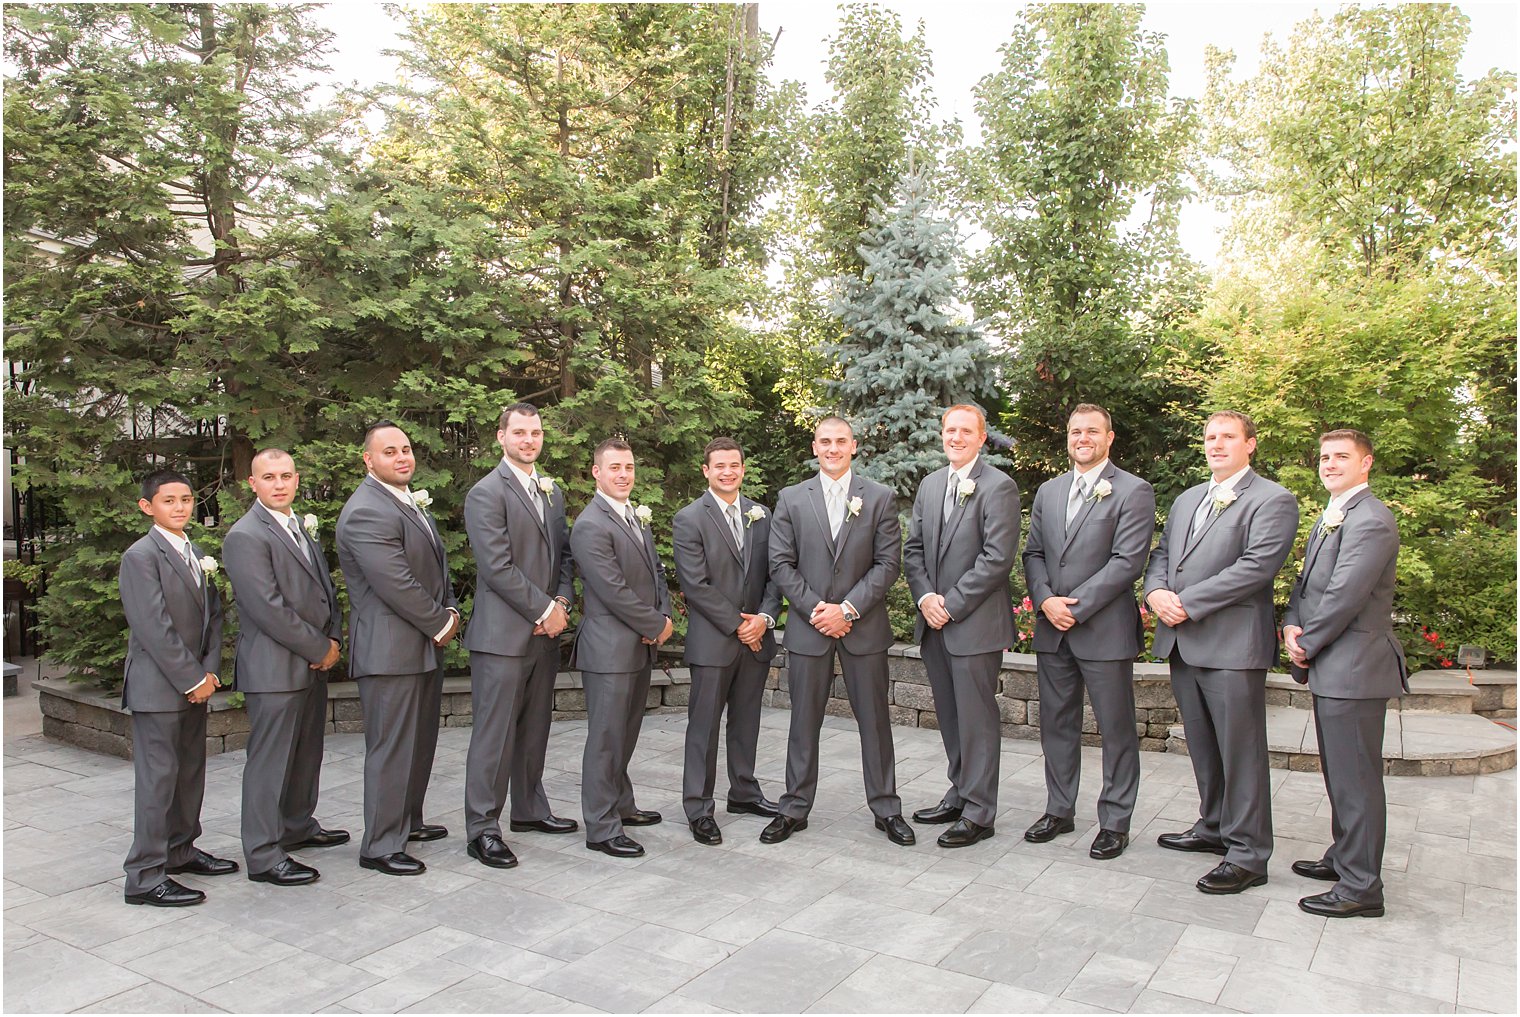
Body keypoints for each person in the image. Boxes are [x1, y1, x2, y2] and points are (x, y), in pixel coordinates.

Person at [1144, 410, 1298, 894]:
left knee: (1241, 752)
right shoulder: (1190, 498)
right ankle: (1213, 826)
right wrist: (1155, 594)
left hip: (1232, 646)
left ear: (1250, 444)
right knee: (1204, 746)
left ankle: (1249, 853)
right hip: (1183, 644)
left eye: (1228, 437)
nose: (1216, 444)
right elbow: (1163, 555)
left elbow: (1255, 569)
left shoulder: (1274, 500)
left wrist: (1186, 603)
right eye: (1210, 437)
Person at [763, 416, 911, 846]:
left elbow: (888, 564)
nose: (832, 448)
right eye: (825, 441)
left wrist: (847, 609)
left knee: (875, 722)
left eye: (840, 441)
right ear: (814, 447)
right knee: (803, 723)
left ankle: (886, 808)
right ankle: (793, 808)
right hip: (810, 630)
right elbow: (780, 564)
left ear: (854, 446)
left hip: (863, 628)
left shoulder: (879, 497)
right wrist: (816, 610)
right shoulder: (791, 499)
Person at [1283, 428, 1407, 919]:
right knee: (1339, 772)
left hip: (1355, 665)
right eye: (1324, 457)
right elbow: (1308, 584)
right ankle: (1344, 857)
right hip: (1334, 664)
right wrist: (1292, 621)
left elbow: (1345, 595)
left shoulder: (1371, 520)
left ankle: (1361, 887)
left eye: (1341, 456)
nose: (1330, 464)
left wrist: (1306, 645)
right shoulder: (1334, 513)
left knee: (1356, 777)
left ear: (1366, 463)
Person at [1022, 404, 1155, 859]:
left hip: (1103, 628)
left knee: (1116, 728)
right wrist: (1044, 600)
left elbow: (1127, 562)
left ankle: (1115, 821)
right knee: (1056, 725)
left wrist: (1074, 608)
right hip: (1052, 626)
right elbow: (1034, 553)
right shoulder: (1049, 491)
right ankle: (1059, 810)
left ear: (1109, 437)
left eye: (1092, 431)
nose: (1083, 438)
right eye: (1076, 431)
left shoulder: (1133, 491)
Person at [336, 421, 460, 876]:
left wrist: (448, 607)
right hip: (390, 650)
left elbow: (433, 569)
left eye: (406, 448)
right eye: (389, 451)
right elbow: (395, 583)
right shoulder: (367, 509)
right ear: (368, 460)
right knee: (391, 748)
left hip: (419, 645)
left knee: (418, 742)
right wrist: (440, 622)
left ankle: (407, 821)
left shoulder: (405, 502)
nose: (402, 457)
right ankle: (380, 844)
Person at [222, 449, 347, 887]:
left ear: (297, 480)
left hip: (310, 665)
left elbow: (322, 592)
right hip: (274, 669)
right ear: (252, 484)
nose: (279, 484)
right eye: (269, 477)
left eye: (287, 476)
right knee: (270, 761)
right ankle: (262, 852)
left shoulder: (298, 527)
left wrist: (332, 639)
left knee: (305, 752)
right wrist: (319, 647)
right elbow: (267, 608)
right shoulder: (246, 536)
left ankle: (296, 824)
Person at [460, 403, 578, 870]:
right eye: (520, 433)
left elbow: (565, 557)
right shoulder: (486, 493)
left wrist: (562, 603)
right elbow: (496, 566)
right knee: (494, 734)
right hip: (502, 636)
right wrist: (544, 608)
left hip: (544, 633)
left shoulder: (552, 493)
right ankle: (482, 829)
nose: (530, 440)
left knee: (534, 728)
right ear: (501, 437)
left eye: (536, 432)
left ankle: (529, 809)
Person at [903, 404, 1021, 848]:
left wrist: (949, 604)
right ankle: (959, 791)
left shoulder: (999, 487)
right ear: (942, 434)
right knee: (950, 717)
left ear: (981, 437)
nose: (956, 437)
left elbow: (997, 559)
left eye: (965, 430)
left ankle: (979, 811)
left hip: (974, 625)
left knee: (977, 719)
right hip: (934, 622)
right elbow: (913, 550)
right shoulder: (931, 485)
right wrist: (925, 598)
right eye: (950, 429)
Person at [119, 469, 236, 906]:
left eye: (186, 499)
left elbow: (214, 617)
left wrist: (208, 672)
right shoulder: (140, 556)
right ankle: (145, 876)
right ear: (148, 507)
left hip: (194, 684)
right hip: (159, 687)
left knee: (189, 774)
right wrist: (192, 677)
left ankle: (180, 850)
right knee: (158, 781)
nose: (180, 507)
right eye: (169, 501)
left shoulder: (195, 550)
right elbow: (153, 627)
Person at [671, 437, 783, 846]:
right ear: (706, 470)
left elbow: (776, 574)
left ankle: (744, 793)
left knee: (746, 722)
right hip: (714, 640)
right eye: (719, 465)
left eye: (734, 465)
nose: (727, 472)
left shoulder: (762, 514)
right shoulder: (689, 519)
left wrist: (765, 619)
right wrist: (740, 624)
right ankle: (698, 807)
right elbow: (695, 585)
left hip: (756, 639)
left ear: (742, 468)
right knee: (703, 727)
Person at [569, 438, 673, 858]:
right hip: (609, 650)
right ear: (597, 472)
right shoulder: (590, 524)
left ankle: (622, 804)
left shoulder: (636, 517)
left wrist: (664, 617)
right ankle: (601, 827)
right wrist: (654, 625)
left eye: (628, 467)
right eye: (614, 468)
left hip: (639, 645)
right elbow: (611, 589)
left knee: (625, 735)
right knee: (606, 739)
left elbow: (657, 572)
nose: (624, 474)